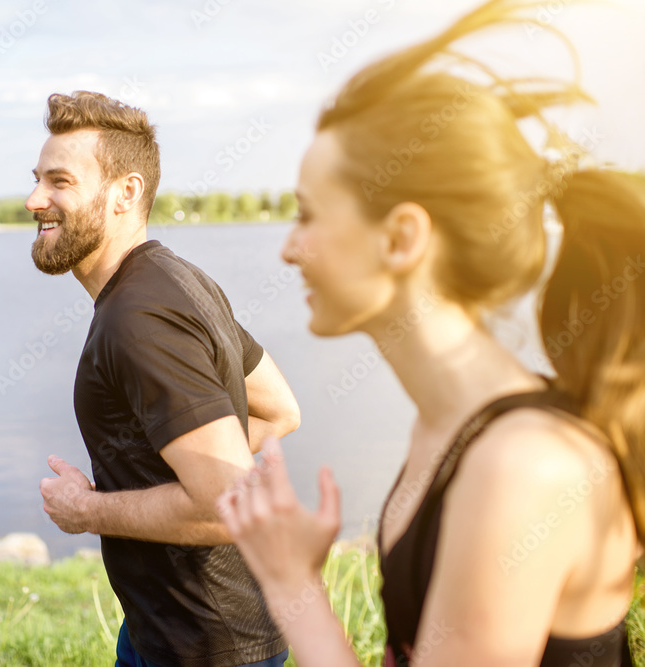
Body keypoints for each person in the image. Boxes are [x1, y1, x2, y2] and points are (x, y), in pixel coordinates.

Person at [216, 1, 645, 665]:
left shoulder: (522, 465)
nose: (288, 249)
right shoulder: (446, 433)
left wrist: (292, 583)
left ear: (402, 237)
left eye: (307, 215)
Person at [28, 90, 302, 667]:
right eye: (37, 179)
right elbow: (279, 411)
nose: (35, 200)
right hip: (174, 631)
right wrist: (186, 475)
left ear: (126, 191)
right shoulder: (178, 278)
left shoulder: (138, 316)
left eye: (60, 182)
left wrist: (88, 509)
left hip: (205, 648)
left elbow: (224, 506)